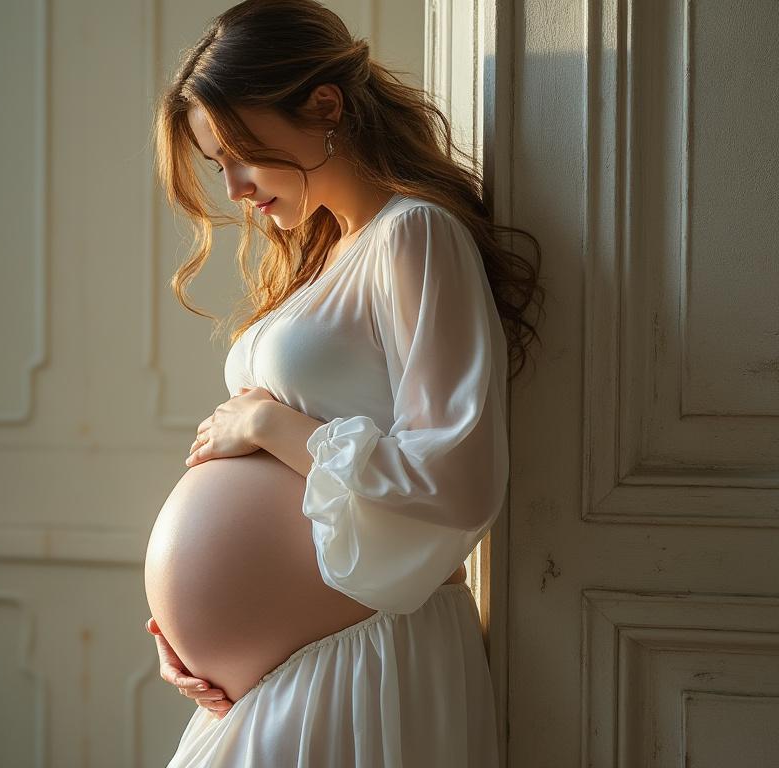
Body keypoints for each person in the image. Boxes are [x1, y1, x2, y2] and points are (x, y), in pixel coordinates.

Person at [144, 0, 545, 765]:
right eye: (214, 162)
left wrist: (266, 428)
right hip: (276, 674)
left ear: (325, 107)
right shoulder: (324, 254)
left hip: (363, 654)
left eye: (243, 152)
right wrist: (185, 634)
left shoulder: (415, 236)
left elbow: (458, 480)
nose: (232, 187)